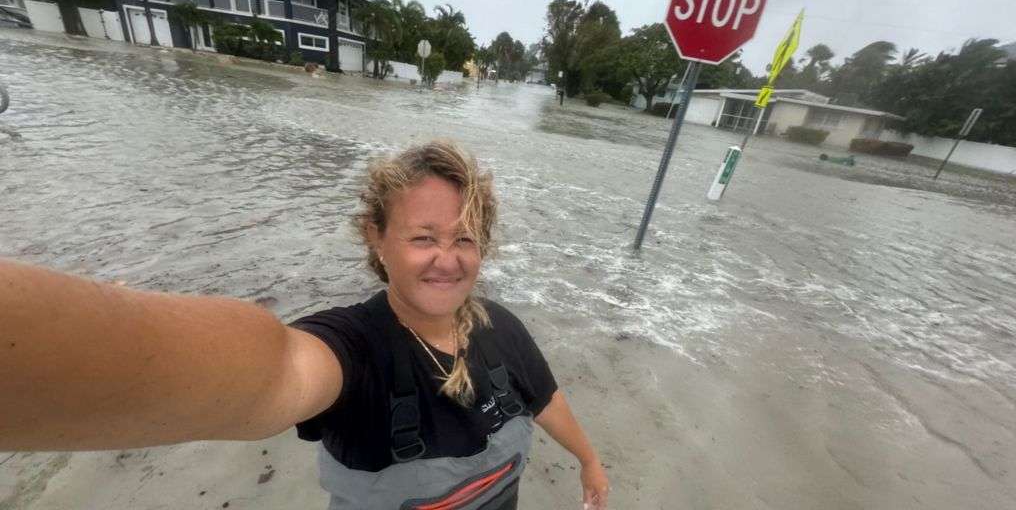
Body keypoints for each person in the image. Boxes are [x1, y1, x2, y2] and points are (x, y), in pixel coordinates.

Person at [0, 140, 609, 509]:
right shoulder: (354, 350)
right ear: (377, 238)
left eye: (465, 238)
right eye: (423, 237)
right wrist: (121, 339)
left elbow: (544, 396)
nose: (447, 259)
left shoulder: (501, 327)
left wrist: (589, 459)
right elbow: (272, 372)